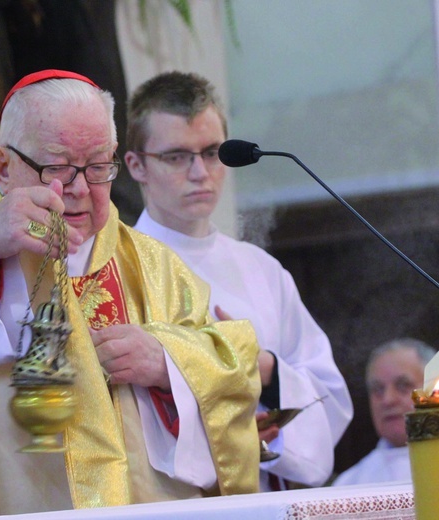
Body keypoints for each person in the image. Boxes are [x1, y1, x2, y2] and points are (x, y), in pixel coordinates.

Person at [0, 70, 262, 519]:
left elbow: (234, 371)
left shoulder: (155, 267)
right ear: (3, 166)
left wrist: (169, 362)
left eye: (97, 166)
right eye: (56, 167)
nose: (78, 188)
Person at [124, 71, 353, 491]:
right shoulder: (120, 268)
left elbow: (330, 401)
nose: (200, 172)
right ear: (136, 165)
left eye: (212, 153)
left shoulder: (261, 270)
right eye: (176, 156)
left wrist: (263, 368)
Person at [332, 337, 436, 486]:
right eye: (378, 389)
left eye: (403, 385)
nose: (388, 400)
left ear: (434, 389)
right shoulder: (348, 485)